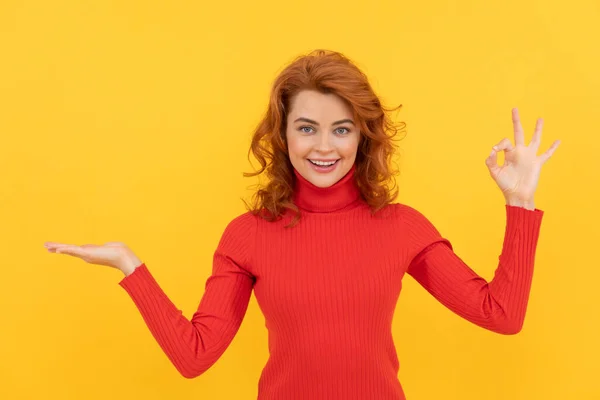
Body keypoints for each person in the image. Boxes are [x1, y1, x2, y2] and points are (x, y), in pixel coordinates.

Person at [44, 49, 560, 399]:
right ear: (283, 135)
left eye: (341, 129)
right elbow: (194, 357)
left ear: (362, 138)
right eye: (307, 128)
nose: (324, 147)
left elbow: (502, 315)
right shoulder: (247, 236)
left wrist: (520, 202)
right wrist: (129, 266)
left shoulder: (400, 228)